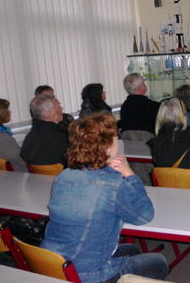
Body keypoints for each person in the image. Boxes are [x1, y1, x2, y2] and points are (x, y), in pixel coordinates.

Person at [41, 113, 169, 283]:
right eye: (116, 137)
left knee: (131, 249)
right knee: (160, 262)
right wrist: (129, 173)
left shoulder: (63, 176)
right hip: (90, 275)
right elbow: (145, 215)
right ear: (108, 147)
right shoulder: (112, 185)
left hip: (52, 264)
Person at [120, 73, 161, 186]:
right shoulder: (152, 107)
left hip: (130, 162)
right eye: (143, 82)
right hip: (149, 156)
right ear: (140, 87)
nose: (145, 84)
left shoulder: (124, 107)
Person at [20, 95, 69, 166]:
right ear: (49, 114)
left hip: (37, 177)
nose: (62, 108)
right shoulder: (61, 138)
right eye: (58, 106)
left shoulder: (29, 138)